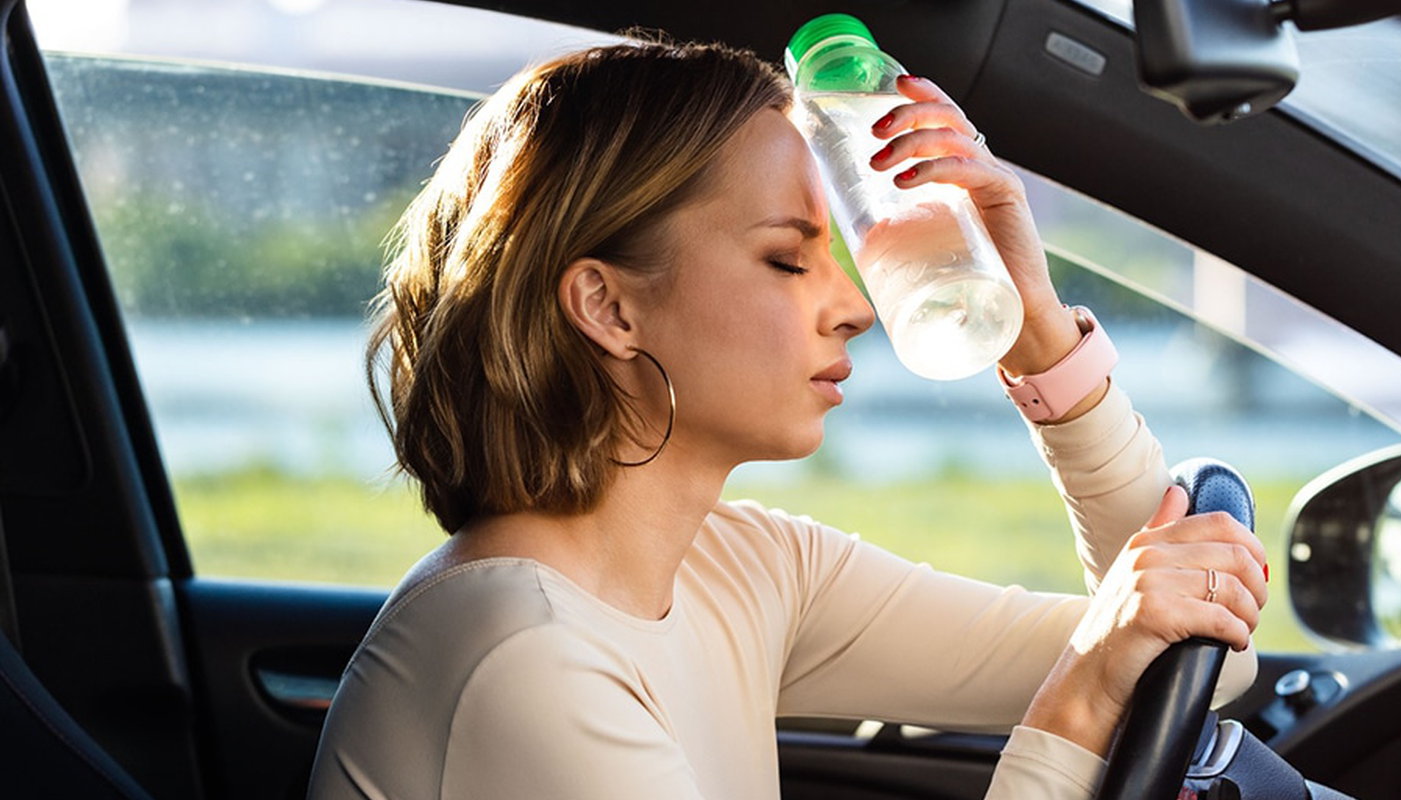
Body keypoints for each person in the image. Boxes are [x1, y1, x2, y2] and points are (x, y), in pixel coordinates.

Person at [307, 36, 1267, 800]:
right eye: (786, 258)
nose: (855, 307)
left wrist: (1040, 334)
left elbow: (1193, 666)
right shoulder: (520, 655)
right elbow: (1114, 674)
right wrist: (1083, 696)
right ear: (608, 308)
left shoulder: (745, 568)